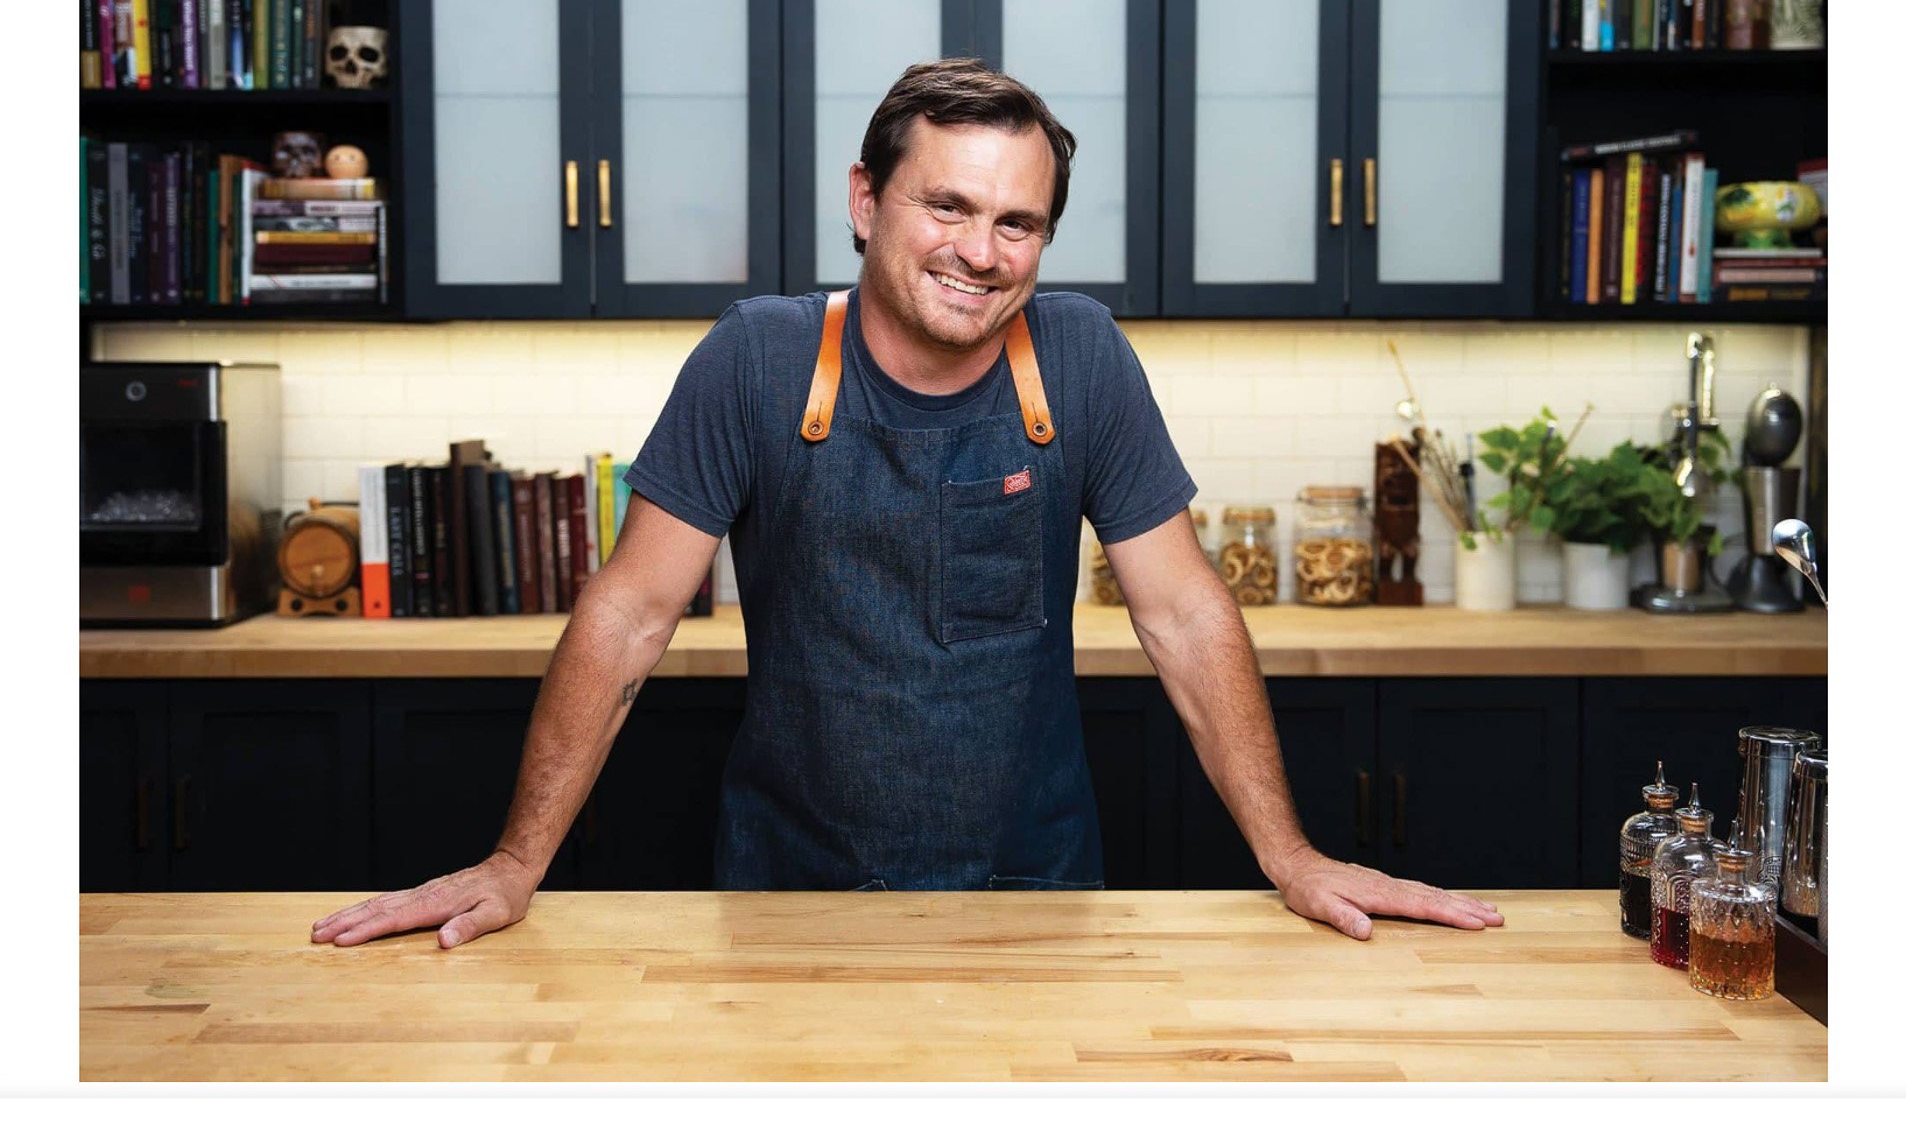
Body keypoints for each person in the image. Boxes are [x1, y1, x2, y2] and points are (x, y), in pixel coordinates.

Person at [313, 59, 1504, 949]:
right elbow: (629, 614)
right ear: (865, 198)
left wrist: (1290, 854)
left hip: (1034, 893)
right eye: (947, 205)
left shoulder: (1081, 358)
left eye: (1016, 221)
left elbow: (1185, 614)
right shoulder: (756, 361)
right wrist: (515, 862)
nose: (980, 251)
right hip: (787, 896)